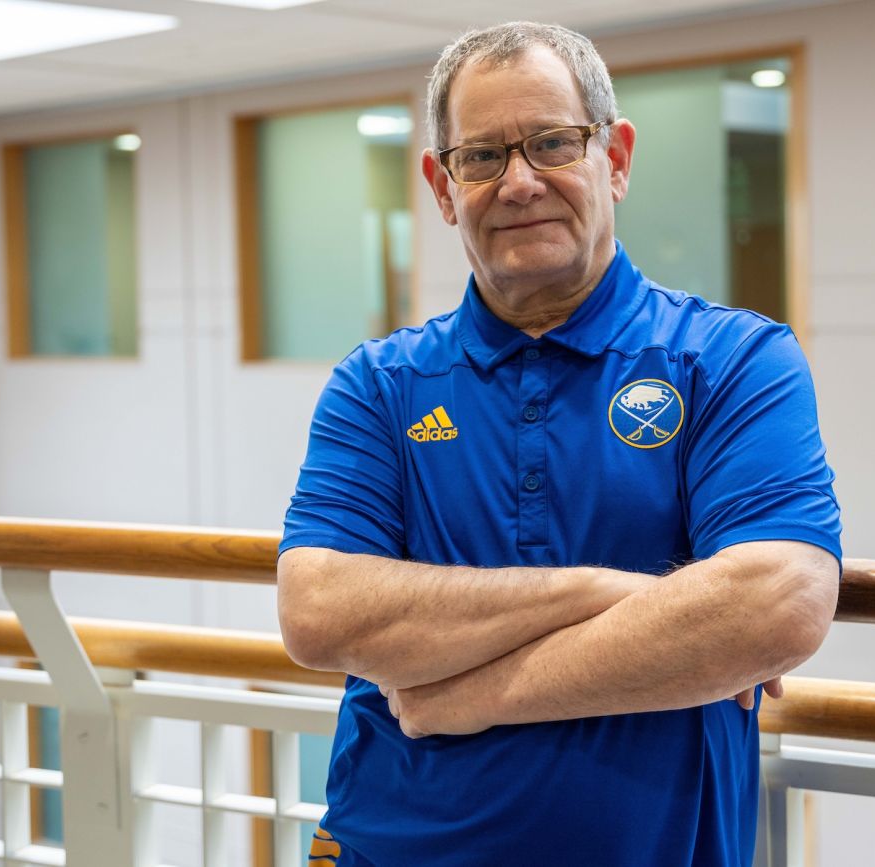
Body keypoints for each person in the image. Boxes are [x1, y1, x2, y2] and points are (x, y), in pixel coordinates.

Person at [276, 20, 842, 867]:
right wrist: (616, 591)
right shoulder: (381, 384)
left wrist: (466, 694)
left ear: (613, 158)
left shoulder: (732, 360)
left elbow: (776, 602)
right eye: (482, 157)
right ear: (441, 185)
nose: (519, 183)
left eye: (551, 143)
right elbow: (320, 612)